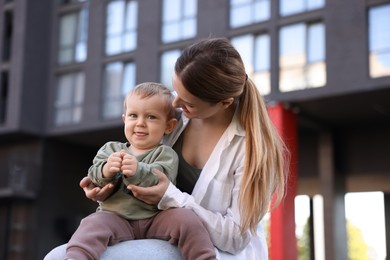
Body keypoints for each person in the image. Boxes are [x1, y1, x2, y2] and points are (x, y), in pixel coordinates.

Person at [45, 37, 288, 260]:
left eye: (187, 101)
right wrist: (104, 186)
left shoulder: (252, 148)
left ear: (224, 102)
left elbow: (235, 238)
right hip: (156, 233)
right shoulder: (170, 113)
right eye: (176, 91)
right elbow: (134, 153)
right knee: (57, 256)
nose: (175, 103)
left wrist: (170, 196)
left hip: (216, 250)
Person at [64, 82, 216, 260]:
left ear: (169, 126)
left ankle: (204, 258)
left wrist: (138, 170)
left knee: (187, 219)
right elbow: (94, 175)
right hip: (116, 216)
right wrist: (106, 171)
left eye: (151, 117)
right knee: (91, 224)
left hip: (156, 218)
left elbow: (161, 179)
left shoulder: (166, 154)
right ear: (124, 120)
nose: (141, 123)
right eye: (133, 116)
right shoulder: (111, 149)